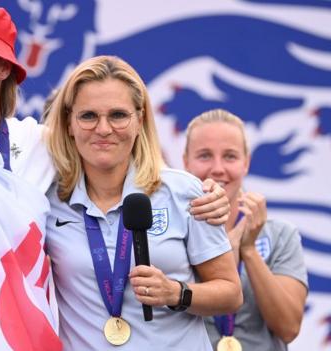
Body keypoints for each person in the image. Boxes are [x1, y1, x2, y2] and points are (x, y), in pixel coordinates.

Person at [0, 2, 230, 350]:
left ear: (2, 67)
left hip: (15, 339)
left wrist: (208, 190)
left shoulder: (42, 145)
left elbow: (113, 148)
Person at [43, 55, 243, 350]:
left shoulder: (182, 191)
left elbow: (230, 294)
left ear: (139, 119)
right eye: (88, 116)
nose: (103, 129)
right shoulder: (46, 199)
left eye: (118, 115)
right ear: (69, 123)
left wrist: (176, 293)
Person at [183, 109, 308, 351]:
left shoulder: (280, 235)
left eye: (230, 156)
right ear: (186, 161)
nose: (218, 169)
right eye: (205, 155)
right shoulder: (171, 234)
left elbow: (289, 328)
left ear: (246, 163)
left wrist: (248, 250)